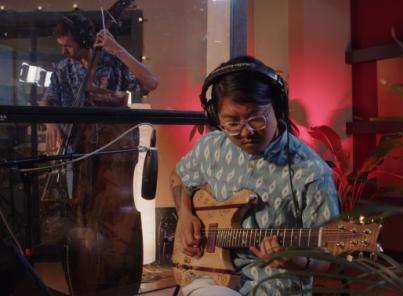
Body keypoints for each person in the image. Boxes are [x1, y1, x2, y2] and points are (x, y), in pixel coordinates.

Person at [170, 56, 340, 296]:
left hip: (275, 288)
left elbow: (327, 258)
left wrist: (294, 262)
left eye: (257, 118)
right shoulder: (210, 148)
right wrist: (185, 213)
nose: (246, 131)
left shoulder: (313, 173)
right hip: (209, 277)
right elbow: (178, 176)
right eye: (232, 122)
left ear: (277, 108)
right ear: (216, 117)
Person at [41, 12, 158, 154]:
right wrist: (50, 123)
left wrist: (118, 50)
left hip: (111, 149)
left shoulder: (113, 62)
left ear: (84, 41)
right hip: (75, 149)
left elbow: (151, 82)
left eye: (68, 46)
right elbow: (45, 100)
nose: (63, 51)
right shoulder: (63, 69)